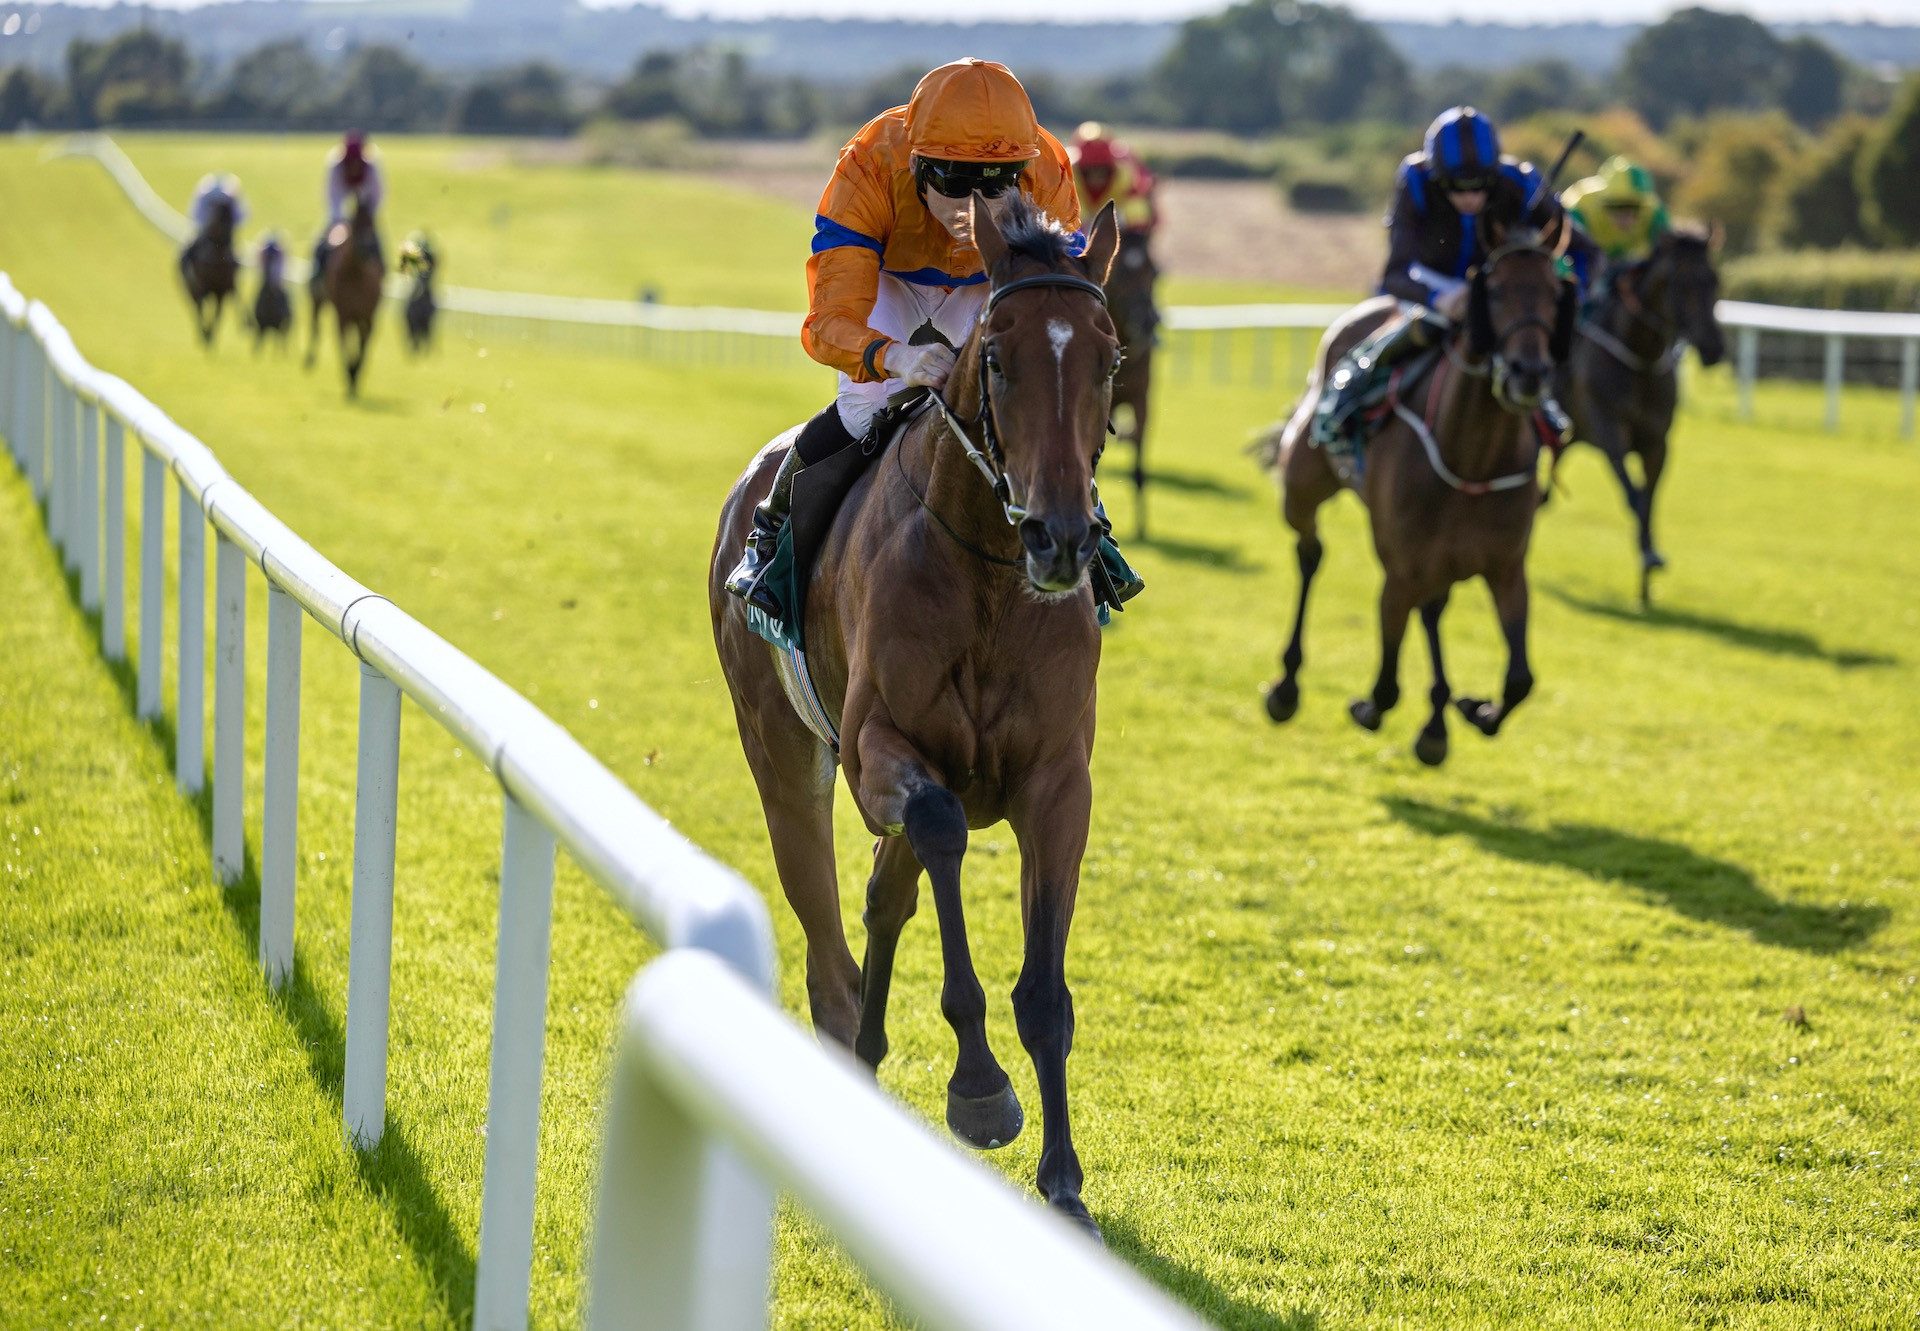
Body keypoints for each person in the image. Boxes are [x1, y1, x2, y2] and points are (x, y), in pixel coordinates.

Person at [725, 58, 1142, 615]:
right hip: (890, 276)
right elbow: (828, 324)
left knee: (1035, 392)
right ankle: (772, 537)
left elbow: (1057, 302)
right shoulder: (868, 167)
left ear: (1022, 170)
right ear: (917, 164)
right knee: (864, 406)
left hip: (990, 277)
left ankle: (1089, 533)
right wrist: (895, 357)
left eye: (997, 183)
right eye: (954, 182)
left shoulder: (1045, 169)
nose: (975, 205)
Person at [1313, 106, 1590, 451]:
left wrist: (1566, 297)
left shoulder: (1521, 182)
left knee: (1529, 345)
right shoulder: (1415, 180)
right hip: (1431, 288)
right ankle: (1343, 402)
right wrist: (1438, 299)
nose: (1470, 198)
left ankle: (1544, 409)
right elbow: (1394, 273)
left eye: (1480, 187)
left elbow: (1586, 252)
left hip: (1495, 294)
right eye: (1456, 188)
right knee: (1400, 337)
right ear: (1437, 177)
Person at [1563, 155, 1670, 294]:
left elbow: (1668, 257)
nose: (1626, 218)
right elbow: (1561, 252)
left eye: (1634, 207)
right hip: (1584, 261)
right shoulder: (1580, 205)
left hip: (1625, 265)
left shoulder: (1655, 215)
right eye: (1616, 206)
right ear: (1603, 200)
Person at [1069, 121, 1158, 242]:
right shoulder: (1069, 174)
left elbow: (1139, 200)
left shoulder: (1125, 173)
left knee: (1137, 208)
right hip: (1083, 222)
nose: (1096, 176)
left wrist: (1136, 227)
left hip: (1118, 221)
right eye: (1090, 170)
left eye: (1102, 170)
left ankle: (1134, 243)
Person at [314, 131, 385, 275]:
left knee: (375, 241)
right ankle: (317, 275)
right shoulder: (335, 164)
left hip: (364, 204)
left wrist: (367, 215)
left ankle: (383, 272)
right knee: (322, 243)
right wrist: (339, 222)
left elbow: (377, 195)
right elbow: (333, 198)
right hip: (341, 200)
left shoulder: (371, 165)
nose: (354, 166)